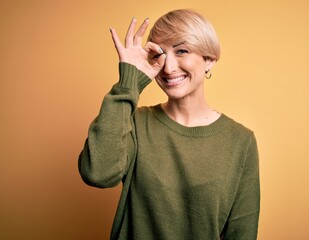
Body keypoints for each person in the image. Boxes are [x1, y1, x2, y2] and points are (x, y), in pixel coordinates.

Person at [78, 9, 260, 240]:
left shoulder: (240, 141)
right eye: (160, 54)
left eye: (182, 51)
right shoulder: (135, 123)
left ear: (209, 60)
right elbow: (97, 174)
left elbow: (242, 234)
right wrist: (129, 82)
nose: (168, 67)